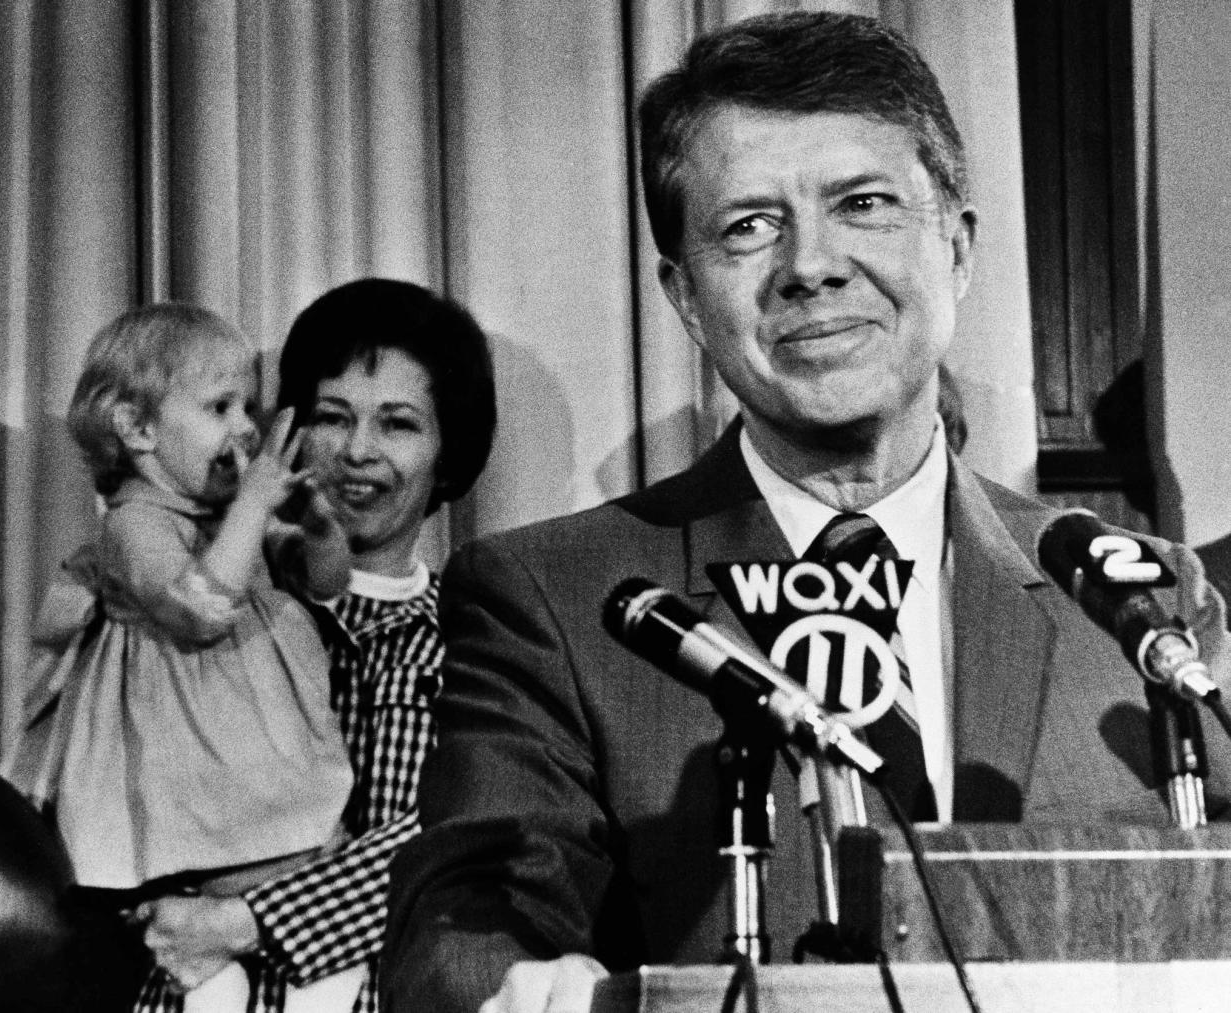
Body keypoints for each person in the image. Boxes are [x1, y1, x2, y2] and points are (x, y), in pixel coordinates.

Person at [379, 12, 1231, 1013]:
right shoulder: (554, 597)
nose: (809, 265)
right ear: (687, 299)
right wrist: (512, 985)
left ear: (956, 246)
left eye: (862, 204)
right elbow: (464, 924)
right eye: (747, 226)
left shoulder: (1135, 598)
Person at [123, 280, 495, 1012]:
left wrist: (250, 919)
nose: (357, 452)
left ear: (447, 451)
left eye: (397, 424)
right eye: (332, 417)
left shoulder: (479, 641)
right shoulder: (210, 610)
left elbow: (454, 845)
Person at [0, 303, 355, 1007]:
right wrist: (254, 505)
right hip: (200, 783)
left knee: (321, 956)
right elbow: (198, 608)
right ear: (137, 430)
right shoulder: (133, 525)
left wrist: (316, 524)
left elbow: (325, 579)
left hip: (263, 770)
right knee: (216, 972)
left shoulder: (227, 521)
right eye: (220, 406)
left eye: (248, 406)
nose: (246, 427)